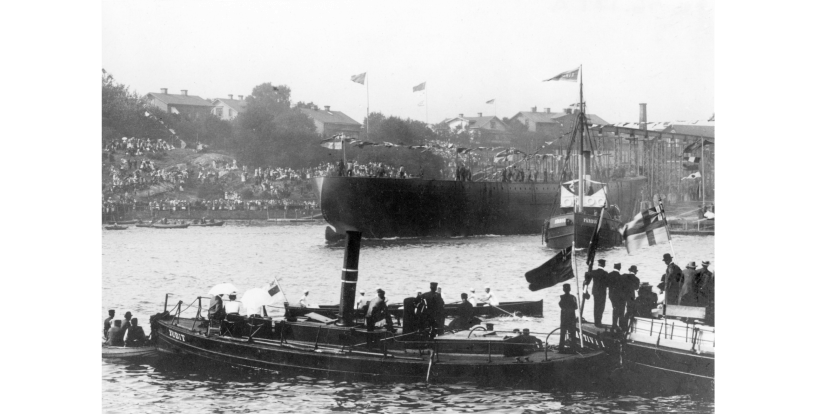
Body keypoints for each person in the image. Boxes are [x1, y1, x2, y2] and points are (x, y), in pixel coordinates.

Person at [583, 259, 609, 327]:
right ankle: (599, 322)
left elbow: (586, 274)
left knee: (596, 307)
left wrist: (586, 281)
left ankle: (596, 322)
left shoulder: (594, 272)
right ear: (604, 265)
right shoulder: (605, 273)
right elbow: (607, 284)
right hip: (602, 292)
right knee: (601, 307)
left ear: (598, 264)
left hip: (595, 292)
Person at [607, 263, 628, 331]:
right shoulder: (620, 277)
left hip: (611, 295)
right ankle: (616, 325)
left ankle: (614, 324)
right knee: (619, 310)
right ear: (620, 268)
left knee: (615, 308)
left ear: (614, 267)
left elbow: (607, 284)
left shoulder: (609, 275)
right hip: (618, 296)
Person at [558, 284, 578, 352]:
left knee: (563, 334)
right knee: (572, 334)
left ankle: (561, 348)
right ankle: (573, 348)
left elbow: (561, 305)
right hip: (571, 317)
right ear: (570, 289)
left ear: (563, 289)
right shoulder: (573, 297)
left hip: (564, 318)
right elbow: (576, 307)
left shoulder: (562, 297)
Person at [622, 265, 641, 330]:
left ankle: (622, 326)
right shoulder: (636, 279)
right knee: (629, 311)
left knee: (621, 311)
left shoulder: (624, 276)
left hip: (622, 295)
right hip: (631, 296)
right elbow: (636, 288)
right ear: (635, 271)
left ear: (630, 270)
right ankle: (627, 326)